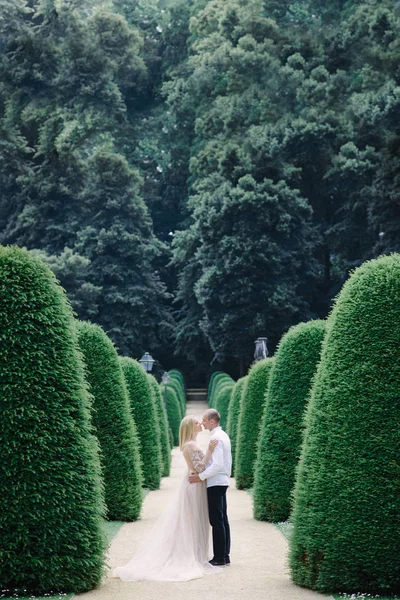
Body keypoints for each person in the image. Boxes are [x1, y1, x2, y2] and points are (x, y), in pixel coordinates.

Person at [113, 415, 222, 582]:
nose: (200, 423)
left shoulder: (191, 444)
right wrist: (209, 452)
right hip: (194, 486)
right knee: (192, 520)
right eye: (196, 422)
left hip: (195, 484)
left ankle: (196, 553)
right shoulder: (191, 445)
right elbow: (199, 467)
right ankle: (190, 555)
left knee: (194, 520)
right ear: (189, 427)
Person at [189, 408, 232, 567]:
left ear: (212, 421)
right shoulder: (223, 435)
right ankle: (225, 555)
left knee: (217, 521)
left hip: (216, 482)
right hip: (221, 481)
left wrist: (200, 477)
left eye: (205, 420)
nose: (202, 422)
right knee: (223, 520)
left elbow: (217, 464)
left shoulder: (216, 438)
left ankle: (219, 557)